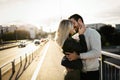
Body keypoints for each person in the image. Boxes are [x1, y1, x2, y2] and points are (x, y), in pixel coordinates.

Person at [68, 14, 101, 80]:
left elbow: (97, 53)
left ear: (80, 21)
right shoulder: (74, 37)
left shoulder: (93, 33)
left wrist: (78, 56)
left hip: (92, 73)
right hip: (79, 73)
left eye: (73, 23)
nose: (72, 26)